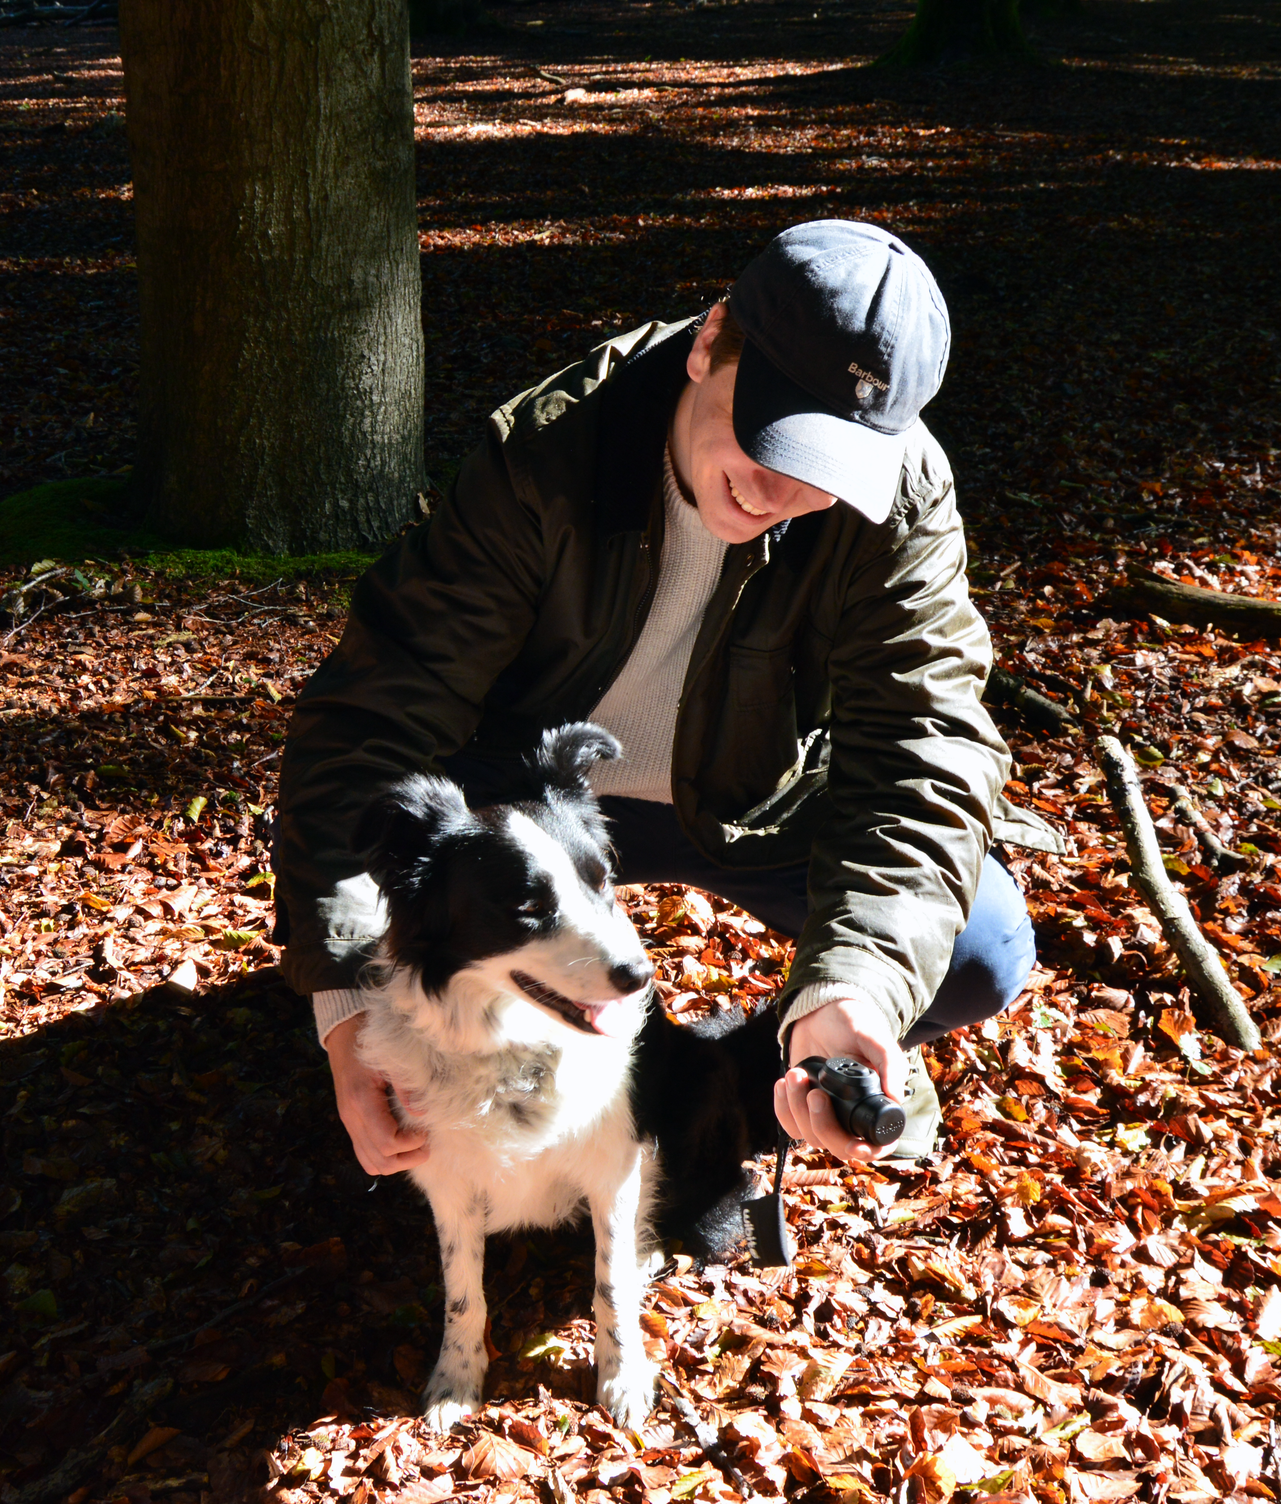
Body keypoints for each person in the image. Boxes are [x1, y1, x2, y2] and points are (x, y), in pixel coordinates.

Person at [274, 219, 1062, 1184]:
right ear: (709, 342)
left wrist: (852, 987)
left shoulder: (897, 500)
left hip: (750, 794)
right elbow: (372, 723)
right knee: (378, 974)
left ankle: (747, 1079)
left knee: (978, 952)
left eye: (825, 471)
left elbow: (921, 748)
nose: (777, 491)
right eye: (769, 436)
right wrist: (350, 1005)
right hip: (531, 797)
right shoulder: (551, 452)